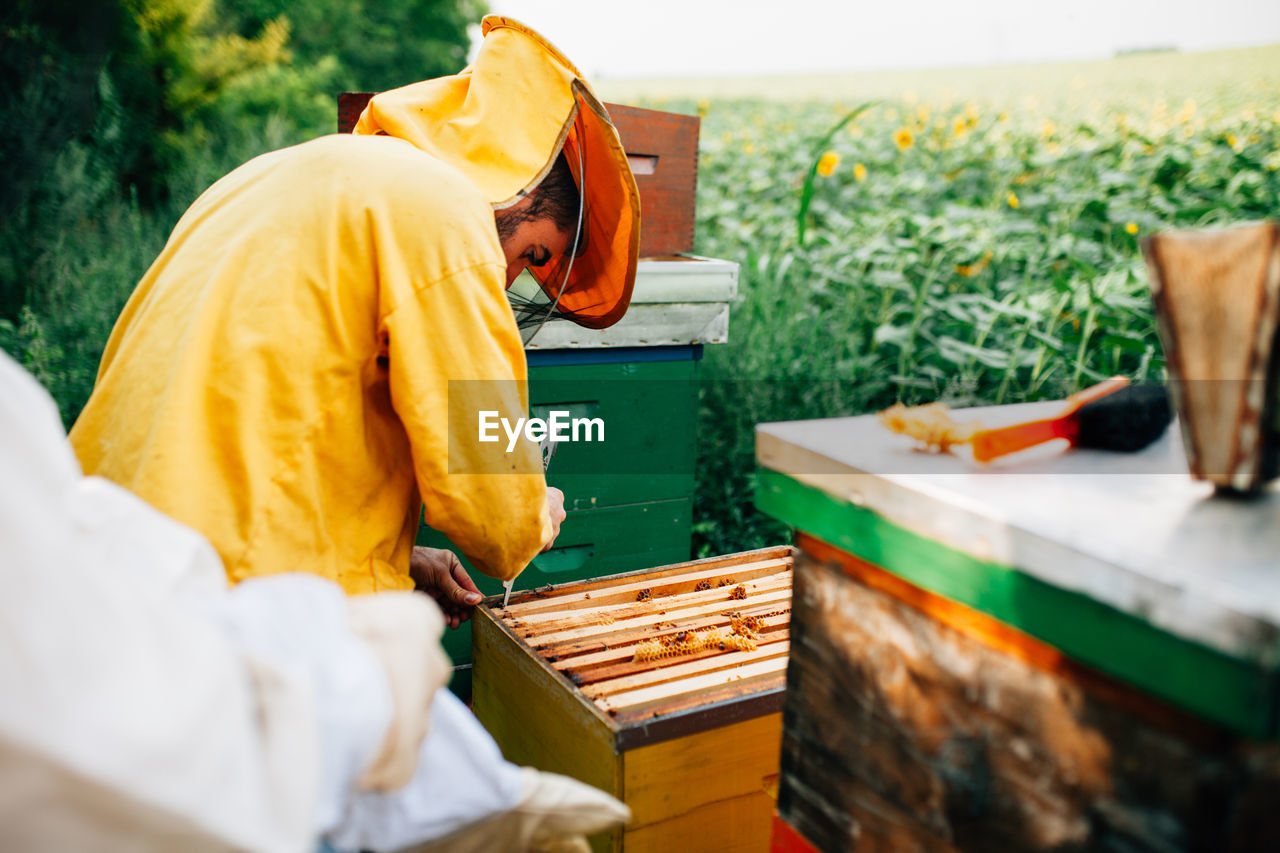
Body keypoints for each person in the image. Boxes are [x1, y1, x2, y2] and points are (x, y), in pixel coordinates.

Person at [68, 16, 640, 620]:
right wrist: (535, 513)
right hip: (221, 607)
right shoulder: (442, 212)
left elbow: (259, 429)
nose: (507, 279)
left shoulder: (264, 177)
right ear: (518, 188)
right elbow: (494, 513)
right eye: (533, 254)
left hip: (97, 561)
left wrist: (396, 556)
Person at [0, 349, 630, 852]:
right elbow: (105, 729)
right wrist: (362, 680)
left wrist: (392, 562)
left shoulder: (242, 204)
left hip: (190, 555)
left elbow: (85, 550)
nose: (522, 279)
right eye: (532, 259)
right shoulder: (439, 233)